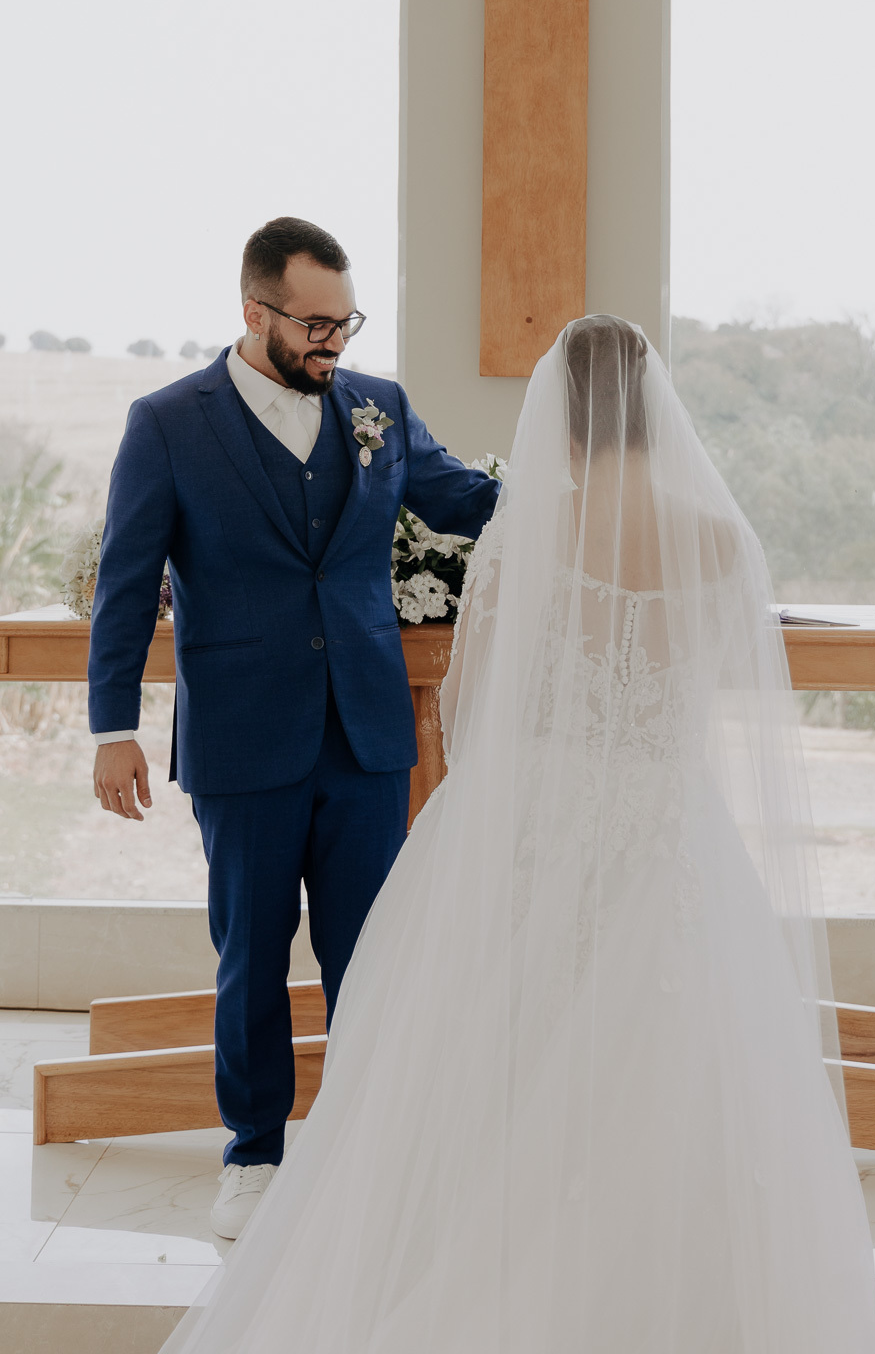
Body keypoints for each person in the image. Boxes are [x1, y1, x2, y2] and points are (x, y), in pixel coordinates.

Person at [161, 315, 875, 1354]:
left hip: (539, 816)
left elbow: (476, 704)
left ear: (568, 422)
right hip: (667, 821)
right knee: (675, 1057)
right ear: (651, 409)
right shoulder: (720, 539)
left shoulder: (534, 532)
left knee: (497, 1055)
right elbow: (726, 681)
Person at [88, 216, 498, 1237]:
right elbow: (129, 585)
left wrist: (599, 499)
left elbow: (468, 502)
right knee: (252, 954)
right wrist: (112, 729)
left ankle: (369, 1145)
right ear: (253, 311)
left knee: (374, 952)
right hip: (242, 734)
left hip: (364, 733)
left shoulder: (379, 408)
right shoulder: (169, 422)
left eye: (344, 322)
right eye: (313, 325)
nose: (334, 343)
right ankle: (254, 1152)